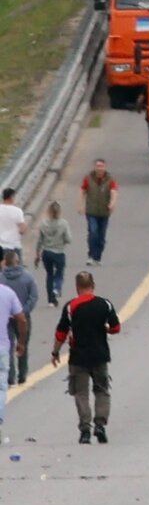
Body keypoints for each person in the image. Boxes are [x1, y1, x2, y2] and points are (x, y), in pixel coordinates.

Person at [52, 271, 121, 445]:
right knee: (102, 390)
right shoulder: (105, 304)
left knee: (81, 393)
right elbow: (116, 327)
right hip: (100, 356)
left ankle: (85, 430)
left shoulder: (70, 307)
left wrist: (55, 352)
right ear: (93, 285)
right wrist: (105, 329)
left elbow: (61, 333)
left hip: (78, 357)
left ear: (77, 287)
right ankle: (100, 425)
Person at [2, 250, 37, 386]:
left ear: (5, 262)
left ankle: (10, 377)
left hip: (6, 318)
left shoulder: (2, 278)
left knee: (8, 347)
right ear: (17, 261)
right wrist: (23, 311)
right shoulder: (28, 277)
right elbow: (33, 296)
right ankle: (22, 374)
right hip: (23, 317)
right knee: (23, 344)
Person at [0, 277, 28, 445]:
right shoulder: (7, 293)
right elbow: (22, 318)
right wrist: (22, 342)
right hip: (2, 348)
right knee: (1, 387)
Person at [80, 159, 118, 268]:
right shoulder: (88, 178)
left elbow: (114, 192)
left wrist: (112, 203)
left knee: (101, 237)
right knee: (93, 232)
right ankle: (91, 256)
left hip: (104, 212)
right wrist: (81, 205)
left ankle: (98, 257)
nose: (99, 168)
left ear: (105, 167)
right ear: (94, 167)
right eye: (98, 166)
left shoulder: (110, 180)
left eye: (101, 166)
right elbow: (83, 191)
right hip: (91, 211)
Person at [35, 201, 71, 307]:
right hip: (59, 252)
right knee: (59, 273)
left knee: (49, 274)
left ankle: (51, 299)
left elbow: (40, 240)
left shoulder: (43, 224)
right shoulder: (63, 223)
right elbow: (68, 239)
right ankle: (56, 288)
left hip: (47, 252)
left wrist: (37, 254)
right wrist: (62, 241)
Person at [0, 186, 27, 257]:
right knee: (17, 267)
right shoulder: (17, 211)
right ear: (11, 197)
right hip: (14, 246)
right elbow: (22, 230)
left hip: (1, 246)